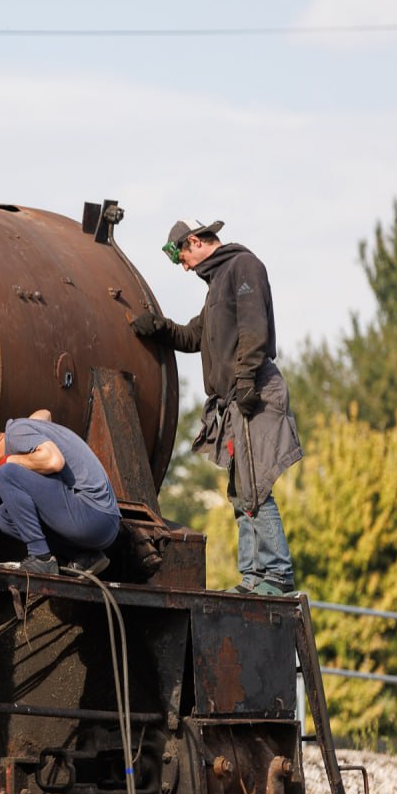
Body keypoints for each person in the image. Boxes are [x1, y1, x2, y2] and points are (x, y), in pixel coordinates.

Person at [131, 218, 303, 595]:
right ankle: (254, 577)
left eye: (182, 257)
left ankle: (274, 575)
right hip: (238, 397)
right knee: (242, 490)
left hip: (254, 391)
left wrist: (244, 381)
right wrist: (160, 328)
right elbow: (195, 335)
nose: (184, 266)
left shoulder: (243, 267)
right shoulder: (216, 286)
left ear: (194, 241)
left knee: (254, 487)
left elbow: (254, 328)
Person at [0, 410, 121, 575]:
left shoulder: (17, 433)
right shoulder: (22, 430)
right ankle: (83, 556)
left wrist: (7, 461)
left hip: (93, 516)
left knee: (5, 473)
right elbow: (45, 413)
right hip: (101, 524)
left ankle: (42, 559)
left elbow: (54, 461)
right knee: (5, 517)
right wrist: (31, 424)